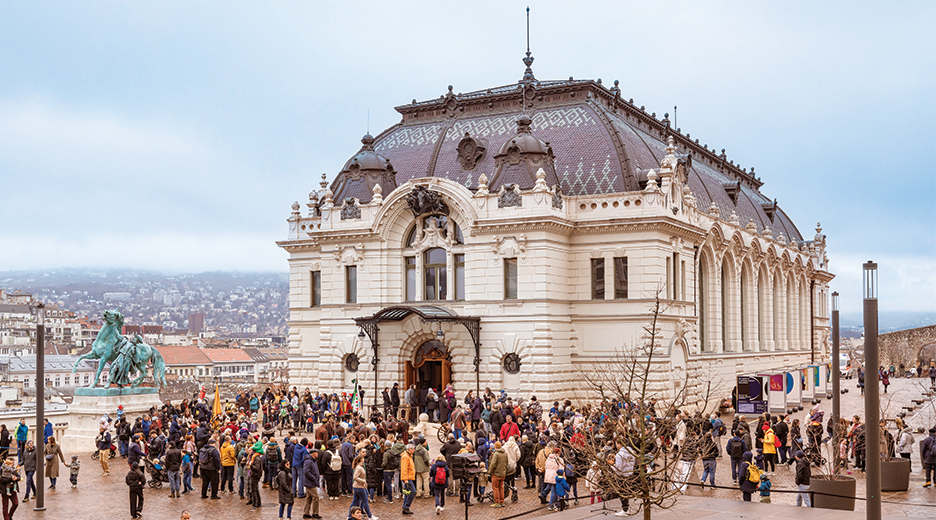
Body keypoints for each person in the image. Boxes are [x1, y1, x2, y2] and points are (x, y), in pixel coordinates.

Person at [349, 455, 376, 520]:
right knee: (365, 500)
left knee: (355, 502)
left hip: (359, 486)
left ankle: (350, 516)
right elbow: (355, 477)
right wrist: (363, 481)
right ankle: (370, 516)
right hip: (359, 486)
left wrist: (364, 483)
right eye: (363, 458)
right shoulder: (359, 468)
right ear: (361, 459)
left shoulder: (360, 467)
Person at [301, 444, 321, 519]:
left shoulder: (313, 461)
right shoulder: (309, 461)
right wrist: (313, 478)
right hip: (310, 483)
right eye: (317, 453)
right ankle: (315, 513)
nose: (317, 454)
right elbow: (306, 471)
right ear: (314, 454)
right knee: (316, 497)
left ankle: (306, 513)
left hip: (311, 482)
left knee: (308, 498)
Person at [400, 444, 416, 515]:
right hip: (408, 478)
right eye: (413, 449)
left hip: (409, 477)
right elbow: (404, 469)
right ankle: (406, 506)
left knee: (407, 493)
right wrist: (405, 479)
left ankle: (405, 507)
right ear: (410, 449)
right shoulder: (406, 457)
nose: (414, 450)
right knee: (412, 492)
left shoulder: (408, 456)